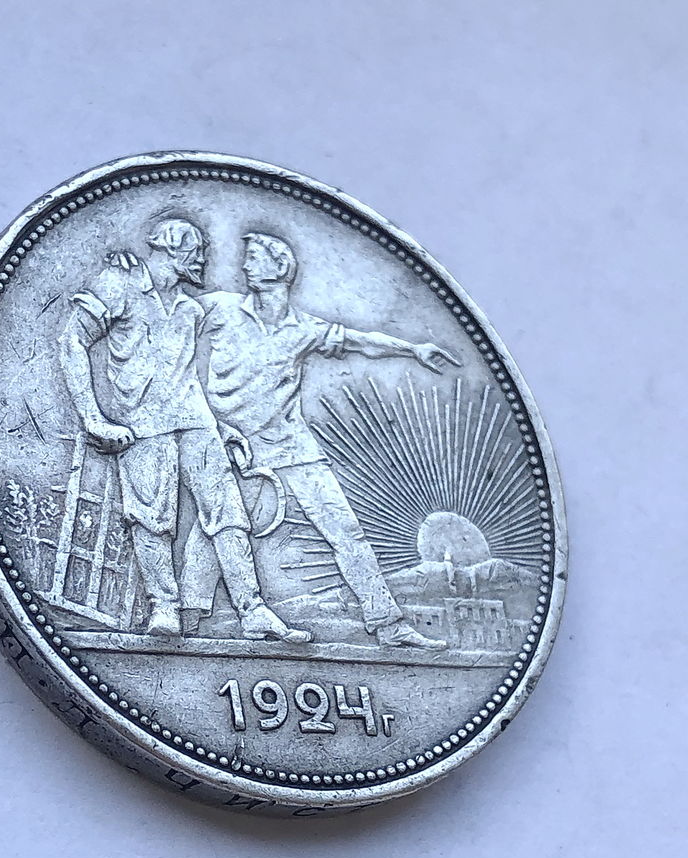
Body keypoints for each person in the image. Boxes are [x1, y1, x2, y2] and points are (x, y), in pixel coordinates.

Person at [180, 231, 460, 649]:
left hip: (293, 446)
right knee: (214, 527)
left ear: (280, 268)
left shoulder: (304, 329)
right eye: (246, 257)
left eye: (254, 257)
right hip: (231, 444)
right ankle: (187, 620)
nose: (244, 264)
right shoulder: (220, 307)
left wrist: (413, 350)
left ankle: (388, 623)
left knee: (346, 531)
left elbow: (362, 342)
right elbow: (168, 317)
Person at [58, 219, 308, 642]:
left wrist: (220, 426)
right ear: (172, 248)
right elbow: (71, 342)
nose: (204, 260)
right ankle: (163, 607)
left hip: (196, 424)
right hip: (141, 427)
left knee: (229, 514)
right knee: (151, 518)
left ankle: (254, 611)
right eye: (197, 251)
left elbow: (185, 377)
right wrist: (92, 418)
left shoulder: (191, 310)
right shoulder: (118, 283)